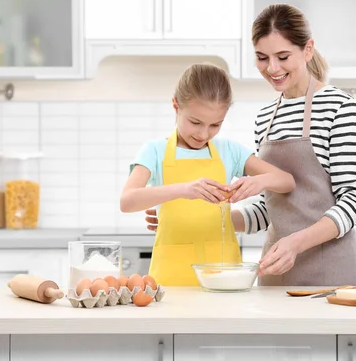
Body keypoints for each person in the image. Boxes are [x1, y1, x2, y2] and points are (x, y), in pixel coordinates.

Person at [144, 4, 356, 287]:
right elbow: (270, 209)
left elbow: (355, 199)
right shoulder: (265, 118)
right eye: (262, 58)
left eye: (283, 56)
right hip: (277, 276)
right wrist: (188, 217)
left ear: (308, 49)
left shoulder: (340, 107)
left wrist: (296, 244)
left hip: (334, 275)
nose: (272, 68)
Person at [120, 63, 296, 287]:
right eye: (195, 122)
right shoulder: (155, 151)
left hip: (223, 277)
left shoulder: (229, 151)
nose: (204, 134)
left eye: (215, 124)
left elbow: (287, 181)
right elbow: (127, 201)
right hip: (172, 277)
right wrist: (184, 189)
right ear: (176, 106)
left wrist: (259, 181)